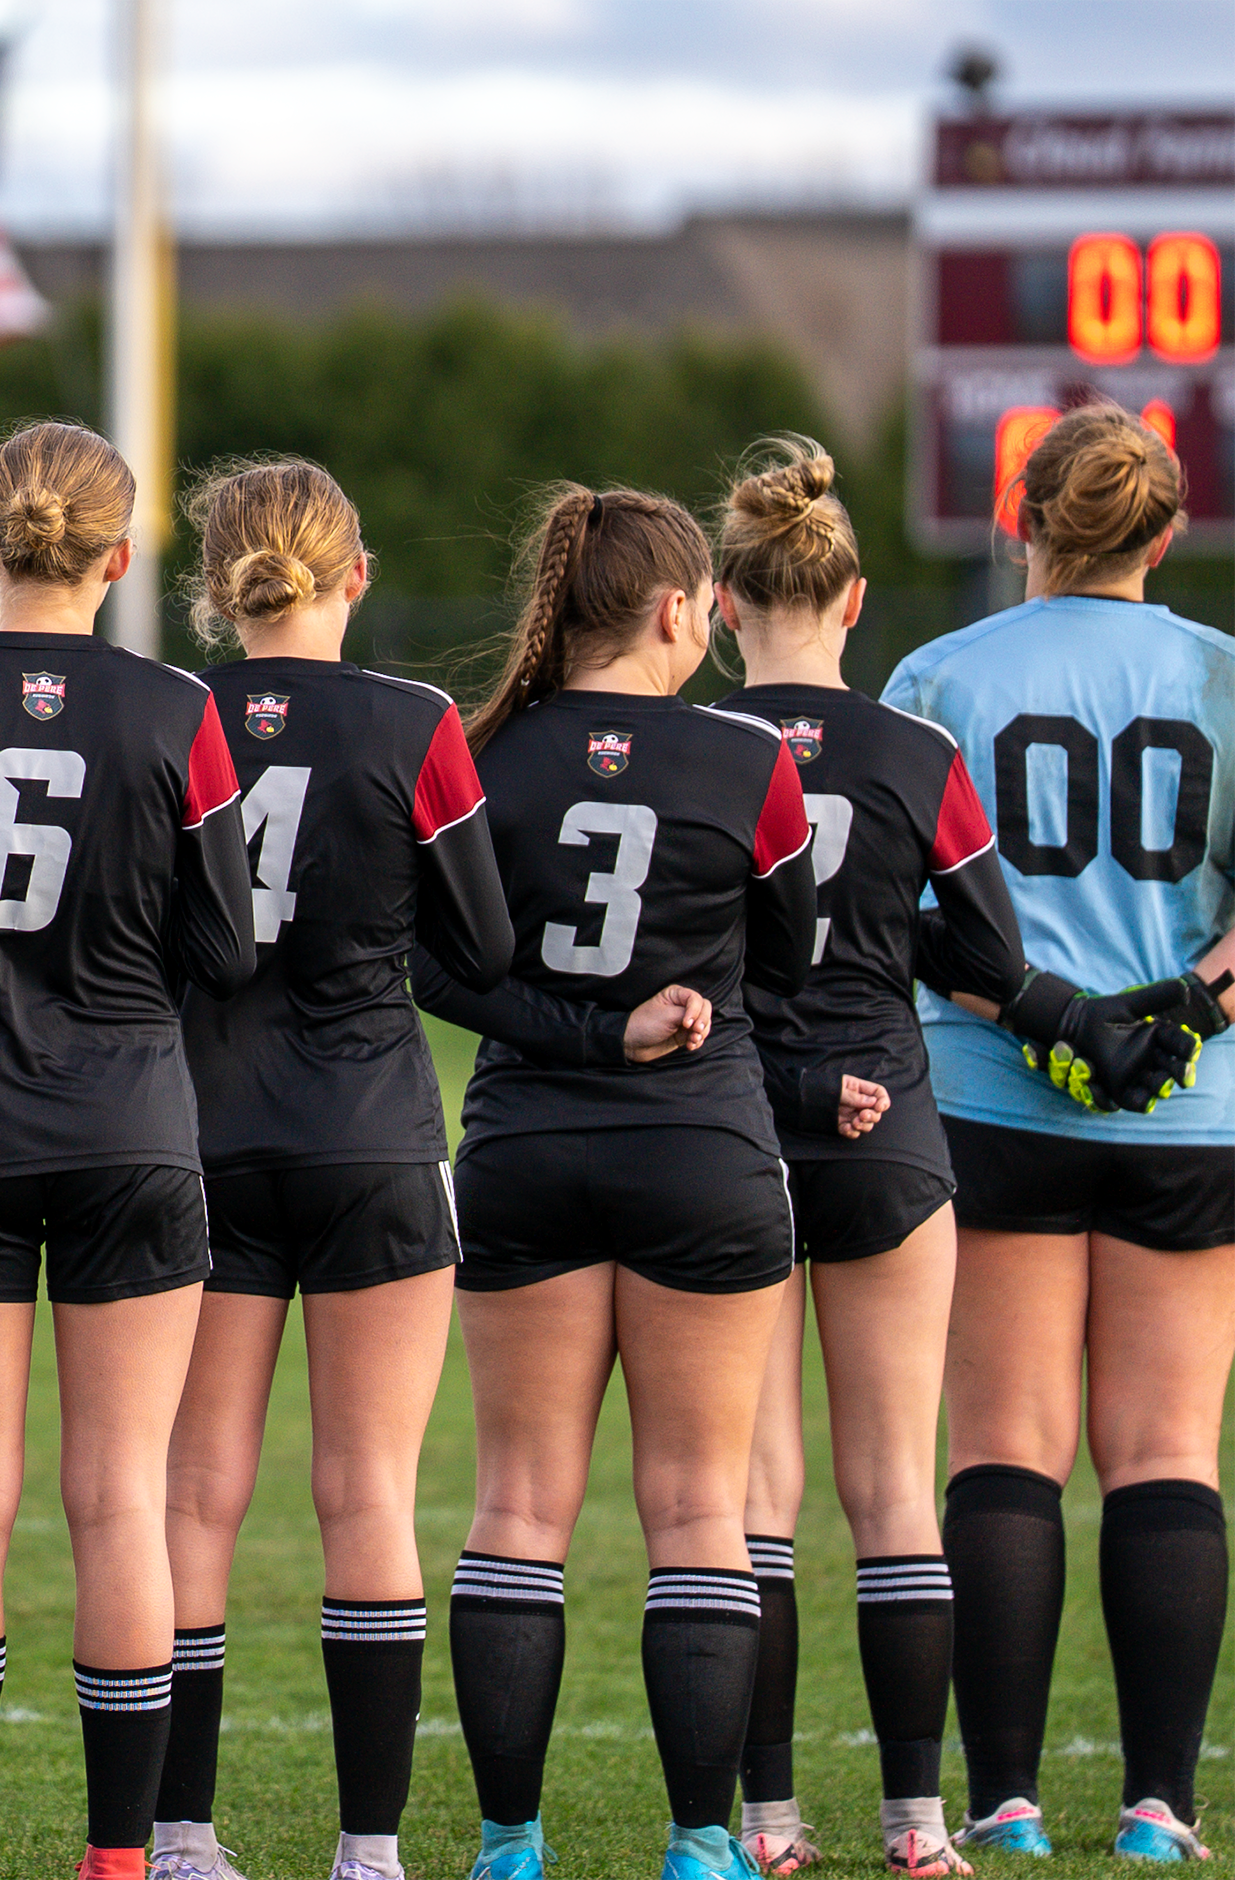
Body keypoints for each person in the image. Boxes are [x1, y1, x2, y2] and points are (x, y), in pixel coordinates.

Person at [0, 420, 255, 1880]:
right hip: (130, 1127)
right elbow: (227, 941)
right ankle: (117, 1858)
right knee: (122, 1499)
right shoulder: (175, 708)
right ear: (119, 554)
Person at [410, 482, 817, 1880]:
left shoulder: (482, 753)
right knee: (701, 1508)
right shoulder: (747, 758)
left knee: (519, 1504)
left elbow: (437, 967)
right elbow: (793, 954)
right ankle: (702, 1845)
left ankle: (510, 1845)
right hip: (702, 1151)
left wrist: (576, 1027)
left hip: (523, 1148)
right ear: (671, 609)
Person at [882, 401, 1235, 1863]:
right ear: (1165, 534)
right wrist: (1187, 1016)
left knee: (1006, 1448)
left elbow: (890, 913)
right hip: (1190, 1108)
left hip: (994, 1097)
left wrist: (1044, 1013)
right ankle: (1159, 1809)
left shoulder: (937, 673)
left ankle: (1009, 1804)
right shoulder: (1222, 674)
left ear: (1017, 520)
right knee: (1166, 1451)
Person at [156, 461, 514, 1880]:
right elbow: (482, 950)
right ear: (354, 574)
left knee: (192, 1496)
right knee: (368, 1491)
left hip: (202, 1131)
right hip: (370, 1131)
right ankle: (370, 1850)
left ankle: (182, 1833)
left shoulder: (172, 712)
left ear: (213, 583)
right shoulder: (415, 720)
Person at [711, 440, 1025, 1878]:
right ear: (852, 603)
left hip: (734, 1128)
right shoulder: (919, 752)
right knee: (897, 1487)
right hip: (887, 1123)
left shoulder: (697, 753)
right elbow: (994, 955)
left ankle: (768, 1822)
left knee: (756, 1494)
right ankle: (916, 1824)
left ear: (719, 606)